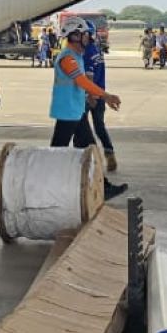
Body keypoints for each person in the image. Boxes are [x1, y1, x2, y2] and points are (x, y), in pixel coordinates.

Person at [50, 17, 127, 200]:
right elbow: (82, 81)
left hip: (76, 111)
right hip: (68, 112)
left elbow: (81, 85)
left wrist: (92, 96)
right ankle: (48, 188)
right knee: (56, 151)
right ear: (75, 35)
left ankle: (103, 187)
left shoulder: (76, 56)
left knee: (88, 149)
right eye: (85, 35)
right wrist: (105, 96)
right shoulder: (68, 57)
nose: (88, 38)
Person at [82, 22, 119, 173]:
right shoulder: (97, 50)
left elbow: (89, 76)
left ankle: (91, 159)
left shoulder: (87, 53)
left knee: (81, 129)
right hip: (101, 94)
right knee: (99, 127)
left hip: (90, 96)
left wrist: (89, 95)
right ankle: (109, 153)